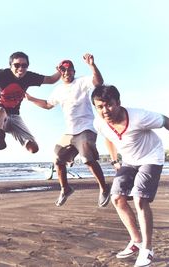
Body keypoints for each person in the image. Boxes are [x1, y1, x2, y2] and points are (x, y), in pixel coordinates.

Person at [91, 85, 169, 267]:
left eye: (109, 105)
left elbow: (165, 120)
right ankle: (136, 241)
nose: (105, 110)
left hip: (151, 157)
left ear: (118, 103)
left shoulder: (139, 117)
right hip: (129, 161)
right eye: (100, 107)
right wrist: (114, 160)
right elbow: (107, 137)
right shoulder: (99, 123)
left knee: (139, 199)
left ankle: (147, 249)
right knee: (117, 198)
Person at [25, 53, 111, 208]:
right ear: (59, 72)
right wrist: (31, 99)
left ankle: (104, 188)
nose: (66, 73)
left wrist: (92, 65)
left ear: (73, 71)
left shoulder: (82, 82)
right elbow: (47, 105)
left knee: (87, 159)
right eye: (62, 70)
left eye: (69, 69)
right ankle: (65, 188)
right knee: (57, 159)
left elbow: (99, 82)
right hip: (69, 132)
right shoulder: (58, 90)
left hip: (86, 128)